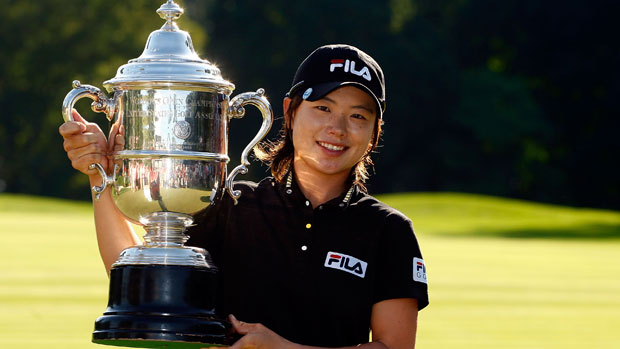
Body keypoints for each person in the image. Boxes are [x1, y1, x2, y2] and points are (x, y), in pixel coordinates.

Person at [59, 44, 429, 349]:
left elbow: (394, 347)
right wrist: (102, 176)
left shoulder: (388, 230)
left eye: (358, 116)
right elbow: (142, 281)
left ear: (375, 131)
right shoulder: (230, 206)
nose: (337, 128)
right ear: (290, 111)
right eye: (322, 108)